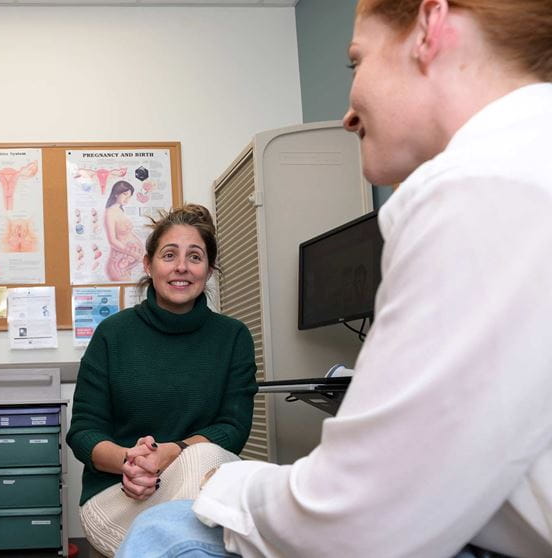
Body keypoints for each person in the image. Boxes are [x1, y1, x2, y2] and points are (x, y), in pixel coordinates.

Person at [119, 1, 552, 556]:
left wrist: (222, 484)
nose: (348, 114)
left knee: (165, 530)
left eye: (356, 62)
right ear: (149, 263)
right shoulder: (516, 168)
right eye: (169, 255)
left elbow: (359, 515)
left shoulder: (476, 188)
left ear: (431, 25)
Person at [67, 204, 258, 557]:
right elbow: (83, 432)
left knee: (202, 459)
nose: (181, 266)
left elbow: (234, 427)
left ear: (209, 269)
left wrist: (172, 453)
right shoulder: (113, 334)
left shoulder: (233, 337)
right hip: (120, 496)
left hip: (200, 486)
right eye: (169, 255)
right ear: (148, 264)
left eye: (195, 257)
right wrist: (132, 463)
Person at [104, 180, 145, 281]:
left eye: (129, 196)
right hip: (118, 265)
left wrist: (142, 251)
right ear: (116, 194)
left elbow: (129, 234)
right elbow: (112, 241)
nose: (127, 198)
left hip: (127, 263)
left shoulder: (120, 210)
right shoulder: (110, 212)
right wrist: (134, 254)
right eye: (125, 194)